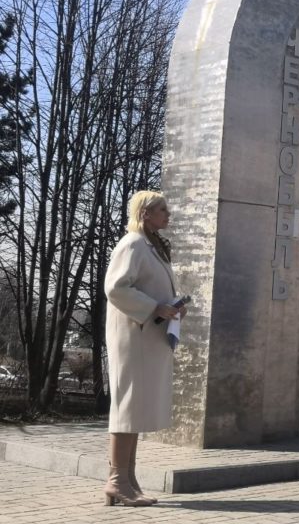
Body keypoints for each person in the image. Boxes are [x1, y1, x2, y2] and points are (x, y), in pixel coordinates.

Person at [103, 191, 187, 506]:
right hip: (133, 337)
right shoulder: (133, 244)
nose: (168, 213)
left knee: (135, 408)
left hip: (146, 337)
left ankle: (128, 478)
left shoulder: (150, 246)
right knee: (127, 407)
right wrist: (156, 307)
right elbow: (115, 287)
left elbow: (150, 289)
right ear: (145, 213)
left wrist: (173, 307)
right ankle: (116, 480)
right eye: (162, 209)